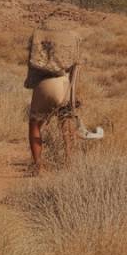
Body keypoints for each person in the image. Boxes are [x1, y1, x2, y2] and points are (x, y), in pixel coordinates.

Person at [25, 22, 81, 174]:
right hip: (64, 83)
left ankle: (38, 166)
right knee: (66, 125)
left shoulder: (38, 37)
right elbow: (76, 68)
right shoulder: (72, 38)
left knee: (35, 124)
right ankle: (70, 164)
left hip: (44, 84)